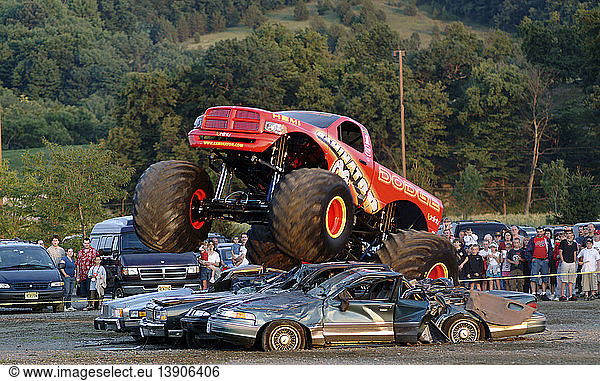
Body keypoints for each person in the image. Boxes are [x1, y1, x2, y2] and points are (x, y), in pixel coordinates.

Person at [526, 227, 552, 300]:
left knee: (545, 277)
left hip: (544, 260)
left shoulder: (546, 239)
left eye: (541, 232)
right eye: (538, 232)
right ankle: (534, 293)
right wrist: (531, 259)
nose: (539, 233)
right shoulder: (533, 239)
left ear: (543, 232)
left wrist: (548, 259)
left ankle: (544, 293)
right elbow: (528, 250)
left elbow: (550, 249)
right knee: (533, 277)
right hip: (536, 260)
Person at [76, 238, 99, 310]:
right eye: (85, 243)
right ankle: (88, 304)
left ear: (90, 243)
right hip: (83, 275)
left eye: (88, 243)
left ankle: (94, 304)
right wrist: (77, 275)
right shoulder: (80, 252)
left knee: (92, 290)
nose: (86, 244)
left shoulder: (94, 251)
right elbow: (77, 264)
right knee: (85, 291)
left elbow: (97, 262)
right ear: (83, 244)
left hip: (92, 275)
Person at [559, 229, 579, 301]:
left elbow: (575, 253)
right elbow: (560, 252)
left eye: (570, 233)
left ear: (572, 235)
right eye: (567, 233)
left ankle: (570, 295)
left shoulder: (574, 243)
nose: (568, 235)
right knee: (564, 280)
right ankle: (562, 295)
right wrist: (562, 260)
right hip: (565, 263)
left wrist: (574, 261)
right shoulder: (563, 242)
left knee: (571, 280)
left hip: (572, 263)